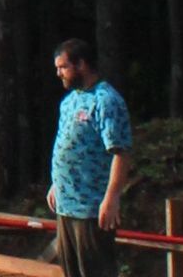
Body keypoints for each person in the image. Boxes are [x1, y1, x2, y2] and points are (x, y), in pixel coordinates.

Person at [48, 39, 133, 277]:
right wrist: (57, 182)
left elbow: (121, 152)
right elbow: (67, 145)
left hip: (91, 207)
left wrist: (112, 198)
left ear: (81, 64)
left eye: (63, 67)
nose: (59, 73)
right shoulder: (69, 101)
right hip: (66, 205)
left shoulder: (106, 100)